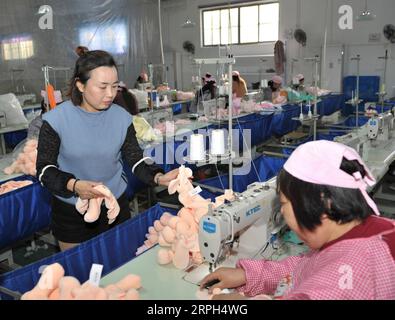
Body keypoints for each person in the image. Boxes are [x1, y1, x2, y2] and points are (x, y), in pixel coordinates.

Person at [200, 140, 395, 300]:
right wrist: (247, 275)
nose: (283, 214)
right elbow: (307, 268)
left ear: (323, 204)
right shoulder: (371, 230)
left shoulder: (350, 271)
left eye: (284, 204)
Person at [36, 50, 179, 251]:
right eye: (102, 87)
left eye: (114, 86)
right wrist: (75, 185)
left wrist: (157, 177)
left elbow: (135, 158)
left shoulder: (121, 117)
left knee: (118, 269)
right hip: (72, 211)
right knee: (79, 275)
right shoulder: (56, 120)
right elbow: (44, 170)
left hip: (115, 206)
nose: (110, 94)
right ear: (80, 85)